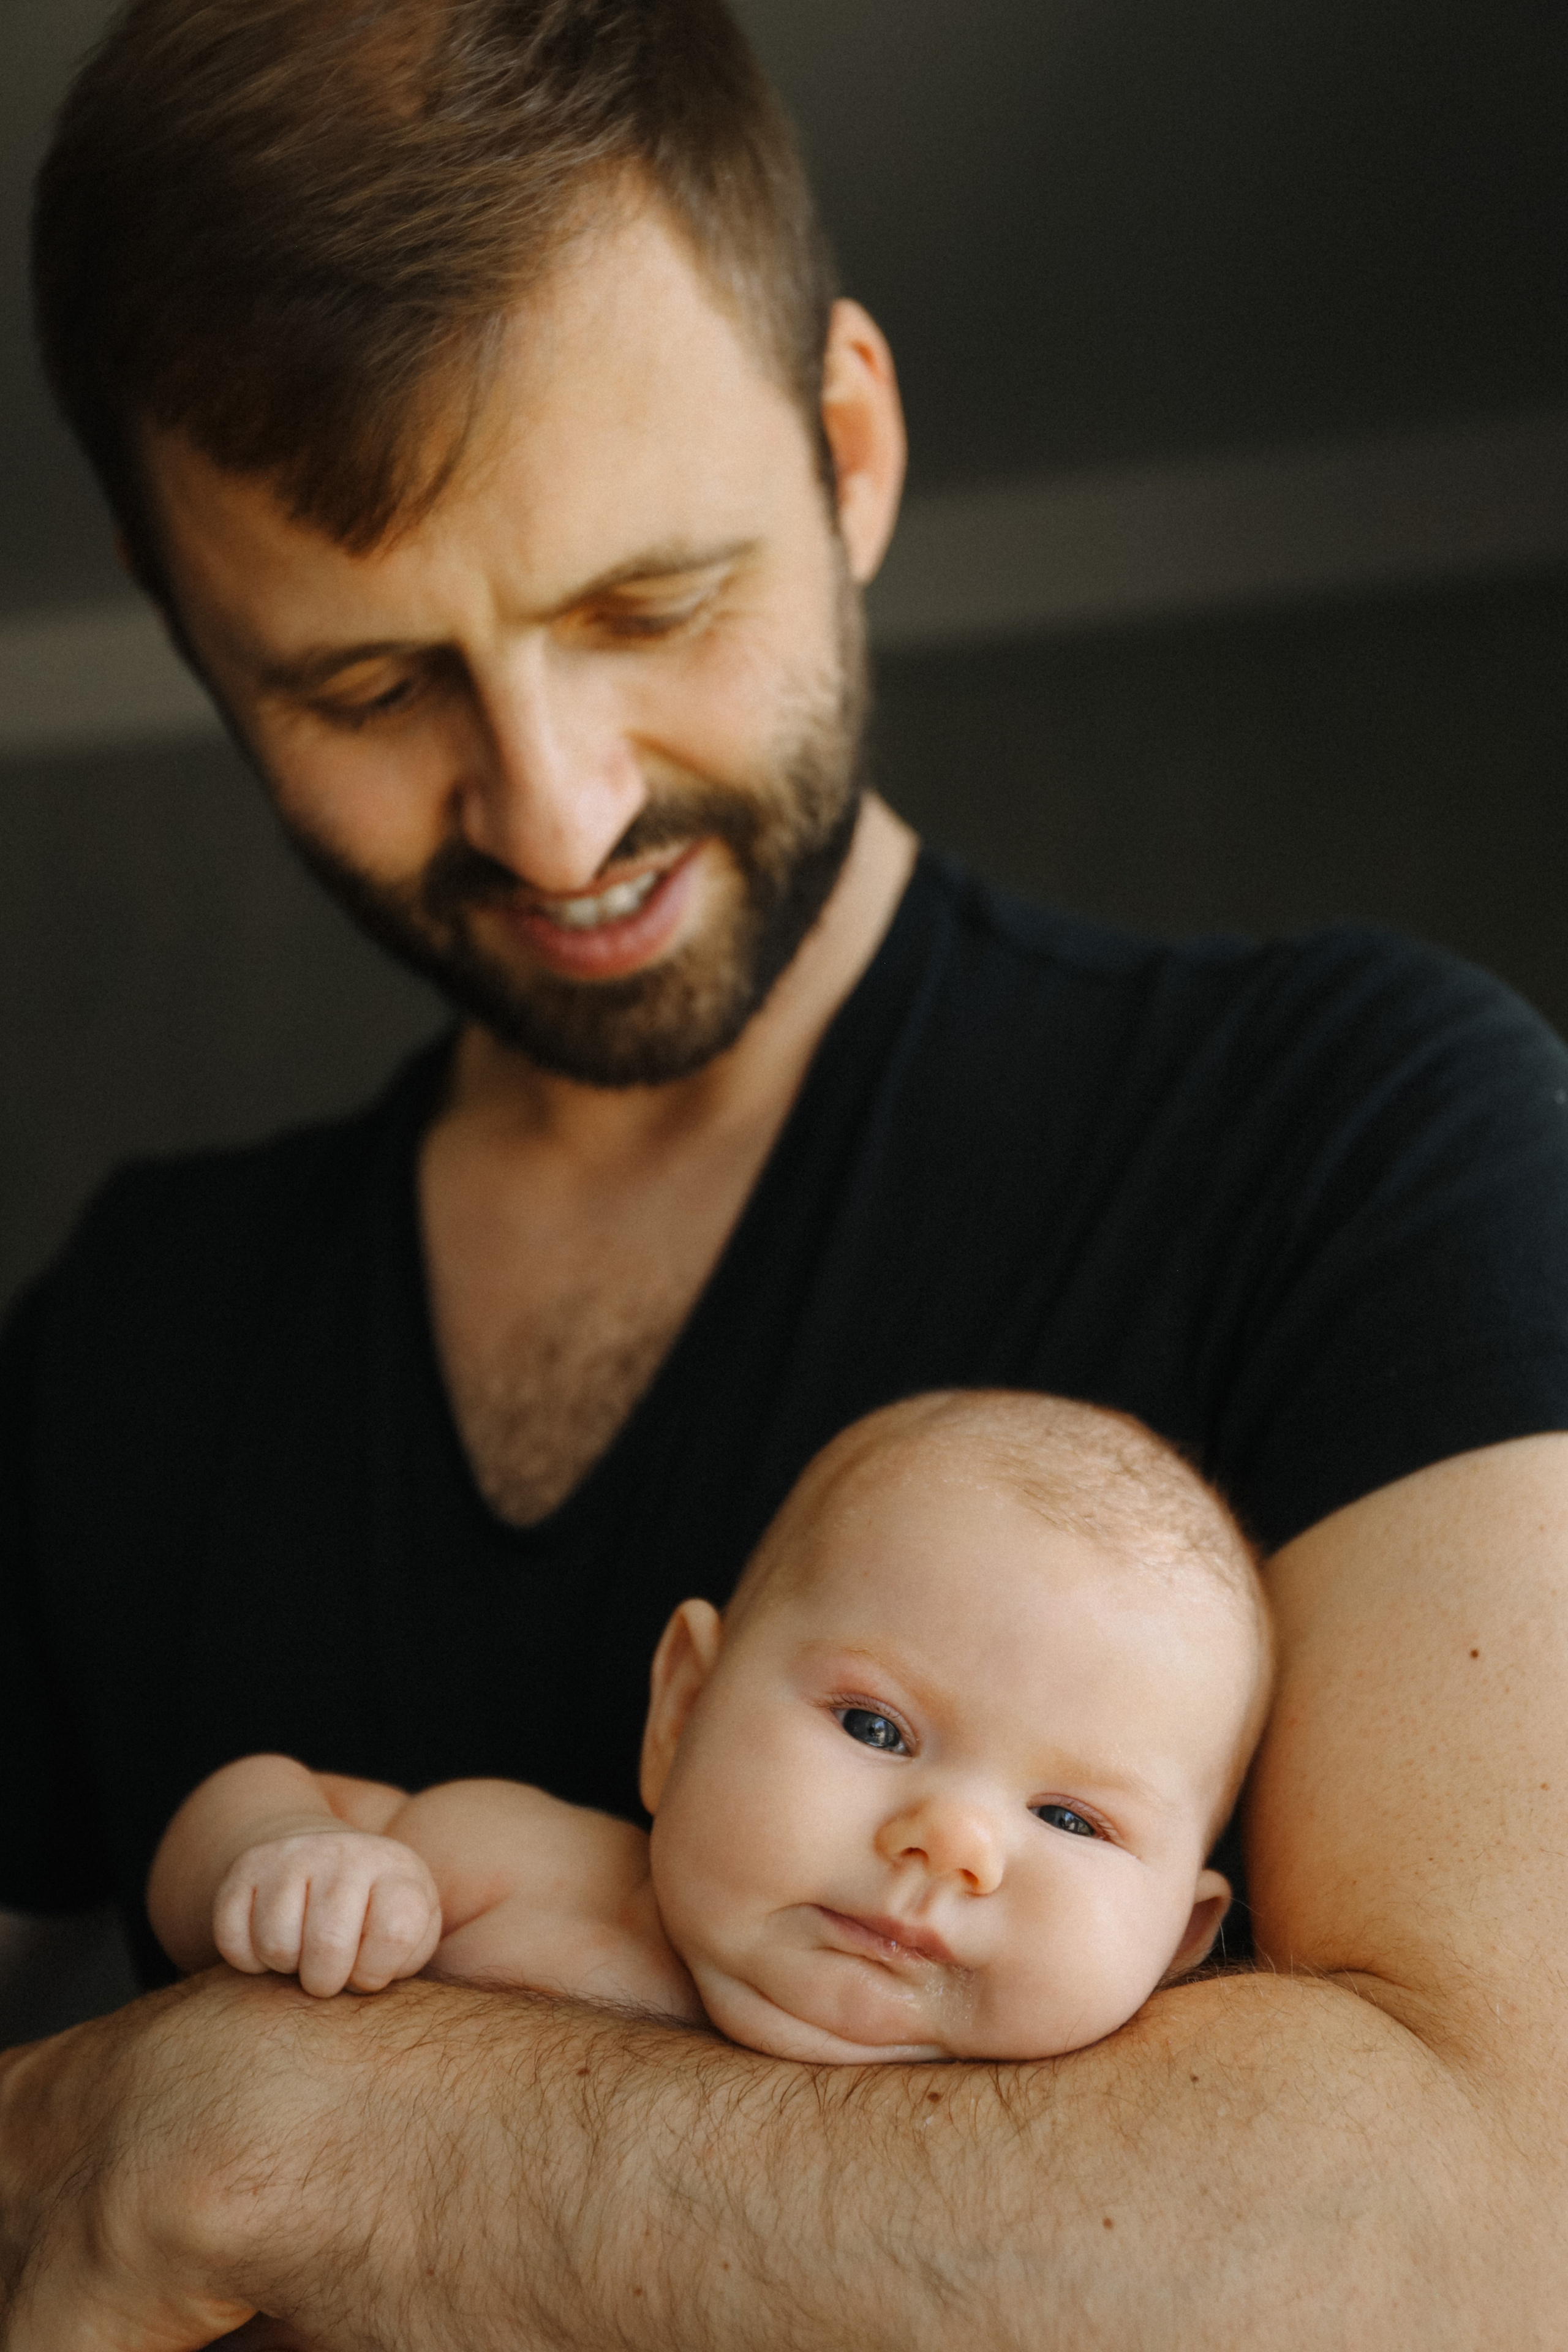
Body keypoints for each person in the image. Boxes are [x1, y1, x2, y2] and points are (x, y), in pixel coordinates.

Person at [5, 0, 1568, 2343]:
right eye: (364, 686)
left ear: (848, 446)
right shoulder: (138, 1325)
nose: (559, 818)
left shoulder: (1367, 1132)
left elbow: (1501, 2232)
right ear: (185, 622)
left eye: (650, 607)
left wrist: (266, 2140)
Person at [147, 1394, 1270, 2065]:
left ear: (1177, 1942)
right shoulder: (522, 1877)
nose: (953, 1843)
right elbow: (275, 1793)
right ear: (682, 1710)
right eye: (876, 1727)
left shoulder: (1085, 2145)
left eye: (1072, 1819)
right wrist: (288, 1852)